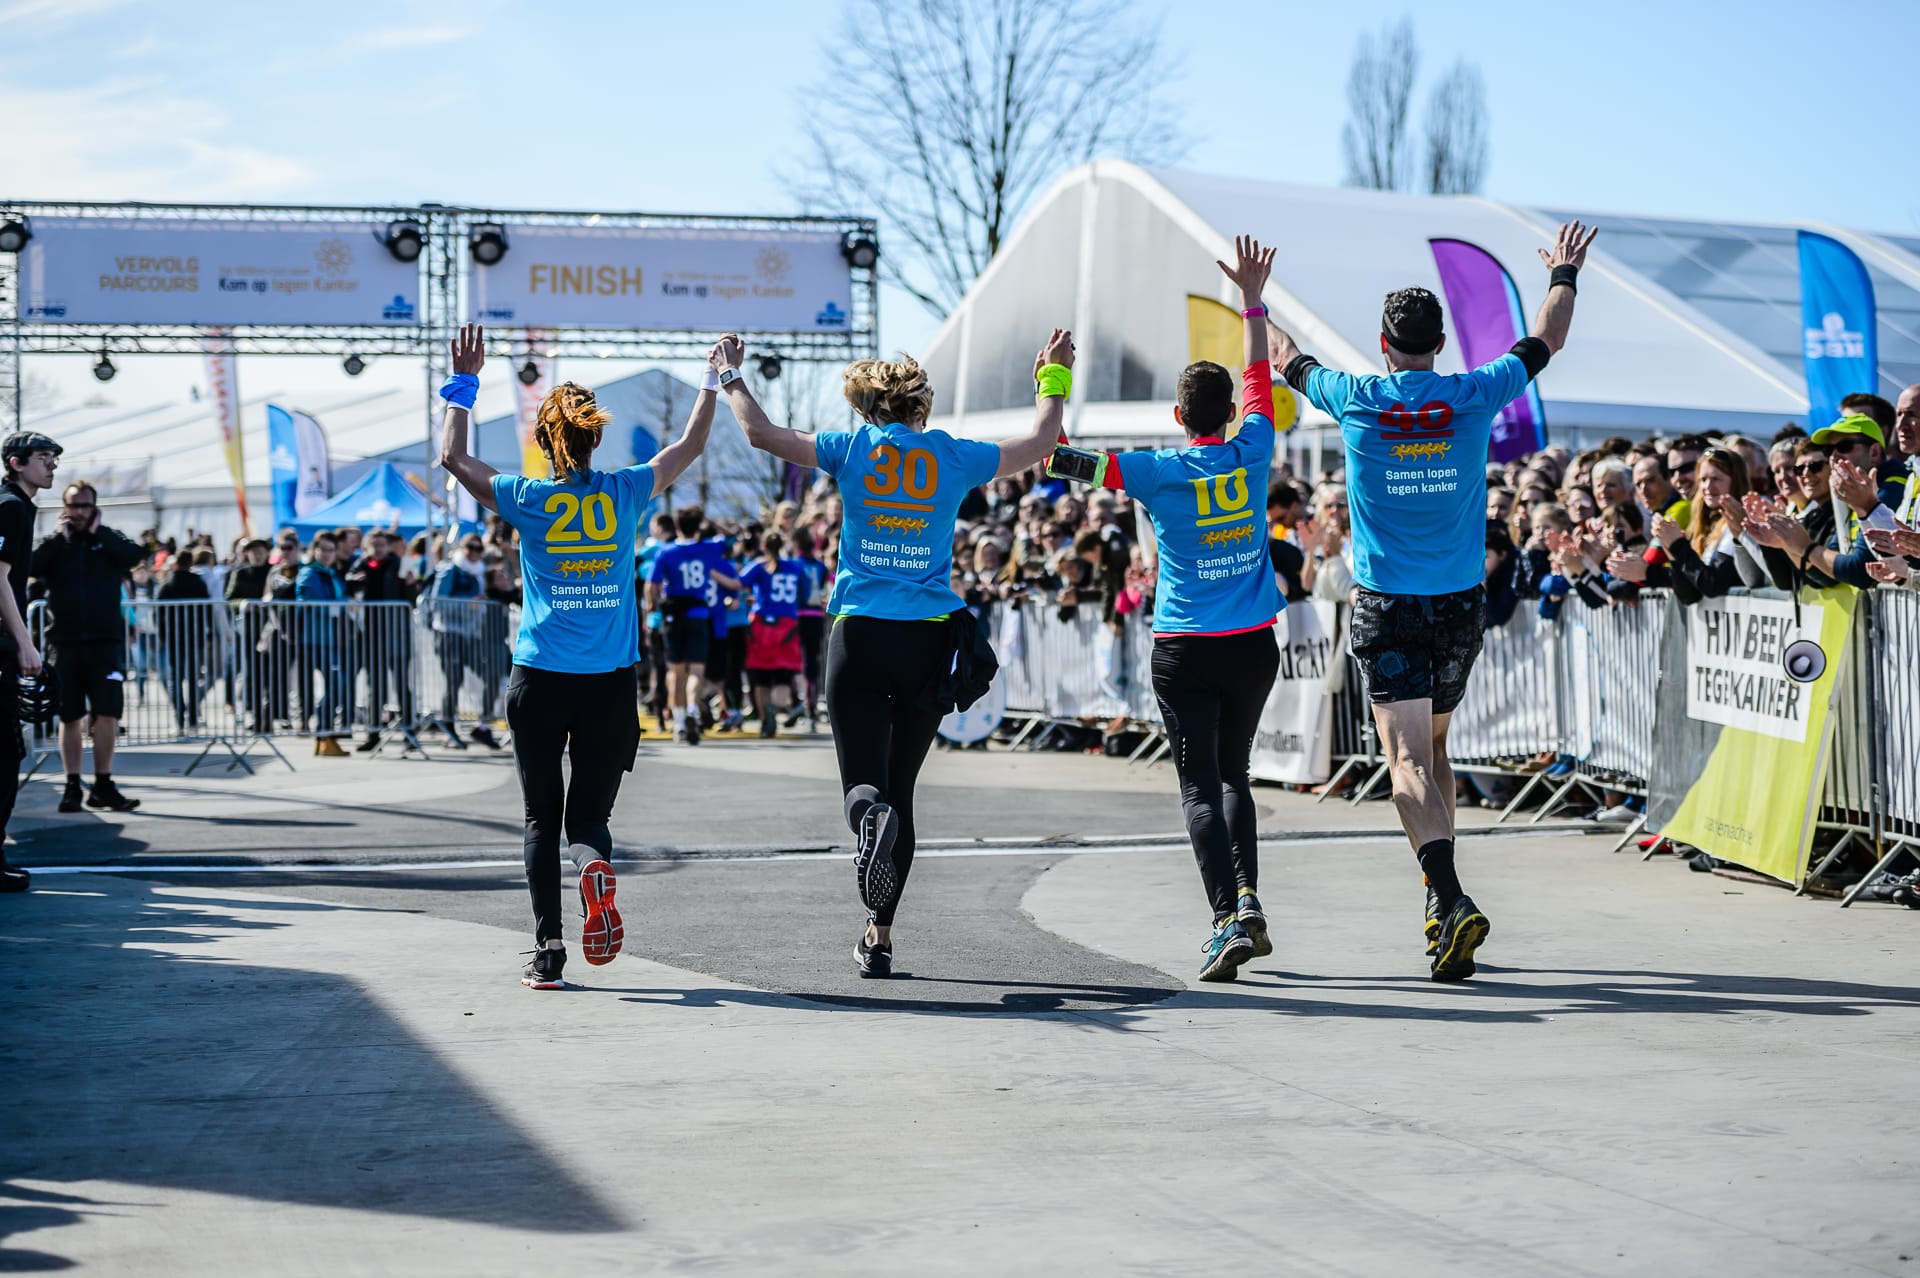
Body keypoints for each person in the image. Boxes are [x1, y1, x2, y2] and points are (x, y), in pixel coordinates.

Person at [1275, 219, 1597, 981]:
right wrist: (1564, 274)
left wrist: (1255, 300)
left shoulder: (1355, 396)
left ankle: (1449, 894)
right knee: (1438, 748)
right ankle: (1436, 897)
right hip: (1458, 603)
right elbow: (1546, 338)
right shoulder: (1473, 392)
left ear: (1384, 344)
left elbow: (1287, 359)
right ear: (1440, 344)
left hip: (1388, 602)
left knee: (1406, 758)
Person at [714, 327, 1072, 978]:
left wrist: (731, 376)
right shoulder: (952, 456)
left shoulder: (852, 449)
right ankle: (878, 936)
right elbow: (1045, 444)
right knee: (902, 791)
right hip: (927, 634)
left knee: (863, 783)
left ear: (871, 411)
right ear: (919, 408)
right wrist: (1052, 377)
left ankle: (866, 819)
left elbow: (764, 436)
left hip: (859, 630)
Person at [439, 323, 717, 990]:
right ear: (596, 438)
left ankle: (549, 950)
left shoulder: (529, 498)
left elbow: (453, 457)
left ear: (544, 442)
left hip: (539, 678)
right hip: (610, 685)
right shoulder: (626, 493)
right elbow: (693, 444)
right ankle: (593, 865)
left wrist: (467, 383)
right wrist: (712, 379)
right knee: (587, 819)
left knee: (540, 817)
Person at [1055, 237, 1288, 979]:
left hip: (1185, 644)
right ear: (1226, 411)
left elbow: (1062, 456)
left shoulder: (1155, 470)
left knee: (1197, 787)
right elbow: (1260, 373)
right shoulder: (1256, 446)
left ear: (1178, 412)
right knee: (1234, 777)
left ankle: (1226, 919)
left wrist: (1054, 378)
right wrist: (1252, 297)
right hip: (1252, 643)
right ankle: (1248, 898)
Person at [29, 481, 145, 812]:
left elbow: (136, 556)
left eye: (85, 506)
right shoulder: (54, 545)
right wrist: (58, 540)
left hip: (105, 644)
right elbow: (31, 566)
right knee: (70, 717)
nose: (79, 512)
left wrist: (99, 534)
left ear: (95, 507)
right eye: (73, 506)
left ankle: (104, 784)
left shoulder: (108, 541)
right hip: (64, 644)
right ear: (64, 508)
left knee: (107, 713)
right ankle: (71, 786)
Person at [0, 433, 60, 891]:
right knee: (4, 755)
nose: (52, 466)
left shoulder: (19, 505)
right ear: (17, 463)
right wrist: (25, 643)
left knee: (9, 753)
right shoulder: (10, 506)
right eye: (44, 459)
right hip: (2, 645)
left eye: (54, 459)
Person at [646, 506, 737, 745]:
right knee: (697, 671)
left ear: (676, 527)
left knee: (676, 671)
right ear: (698, 527)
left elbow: (651, 585)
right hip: (698, 612)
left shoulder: (666, 552)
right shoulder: (707, 548)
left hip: (674, 614)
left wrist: (652, 606)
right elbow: (733, 537)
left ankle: (679, 722)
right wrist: (709, 521)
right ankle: (694, 713)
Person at [1650, 447, 1763, 603]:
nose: (1708, 487)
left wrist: (1678, 546)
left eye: (1716, 479)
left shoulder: (1741, 522)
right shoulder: (1705, 523)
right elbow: (1689, 596)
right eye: (1703, 480)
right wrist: (1672, 551)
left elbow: (1713, 585)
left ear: (1735, 481)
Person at [737, 531, 806, 738]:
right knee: (783, 678)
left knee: (760, 677)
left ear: (764, 547)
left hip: (760, 624)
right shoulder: (795, 566)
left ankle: (765, 719)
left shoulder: (759, 566)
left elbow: (738, 583)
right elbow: (803, 592)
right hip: (787, 624)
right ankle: (774, 708)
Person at [294, 531, 349, 755]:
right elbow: (308, 600)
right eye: (323, 549)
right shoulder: (309, 573)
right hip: (314, 639)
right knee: (336, 684)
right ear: (314, 550)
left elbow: (338, 598)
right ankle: (324, 733)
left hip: (329, 638)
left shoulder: (331, 574)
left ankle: (324, 735)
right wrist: (340, 606)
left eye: (331, 550)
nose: (327, 554)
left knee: (337, 685)